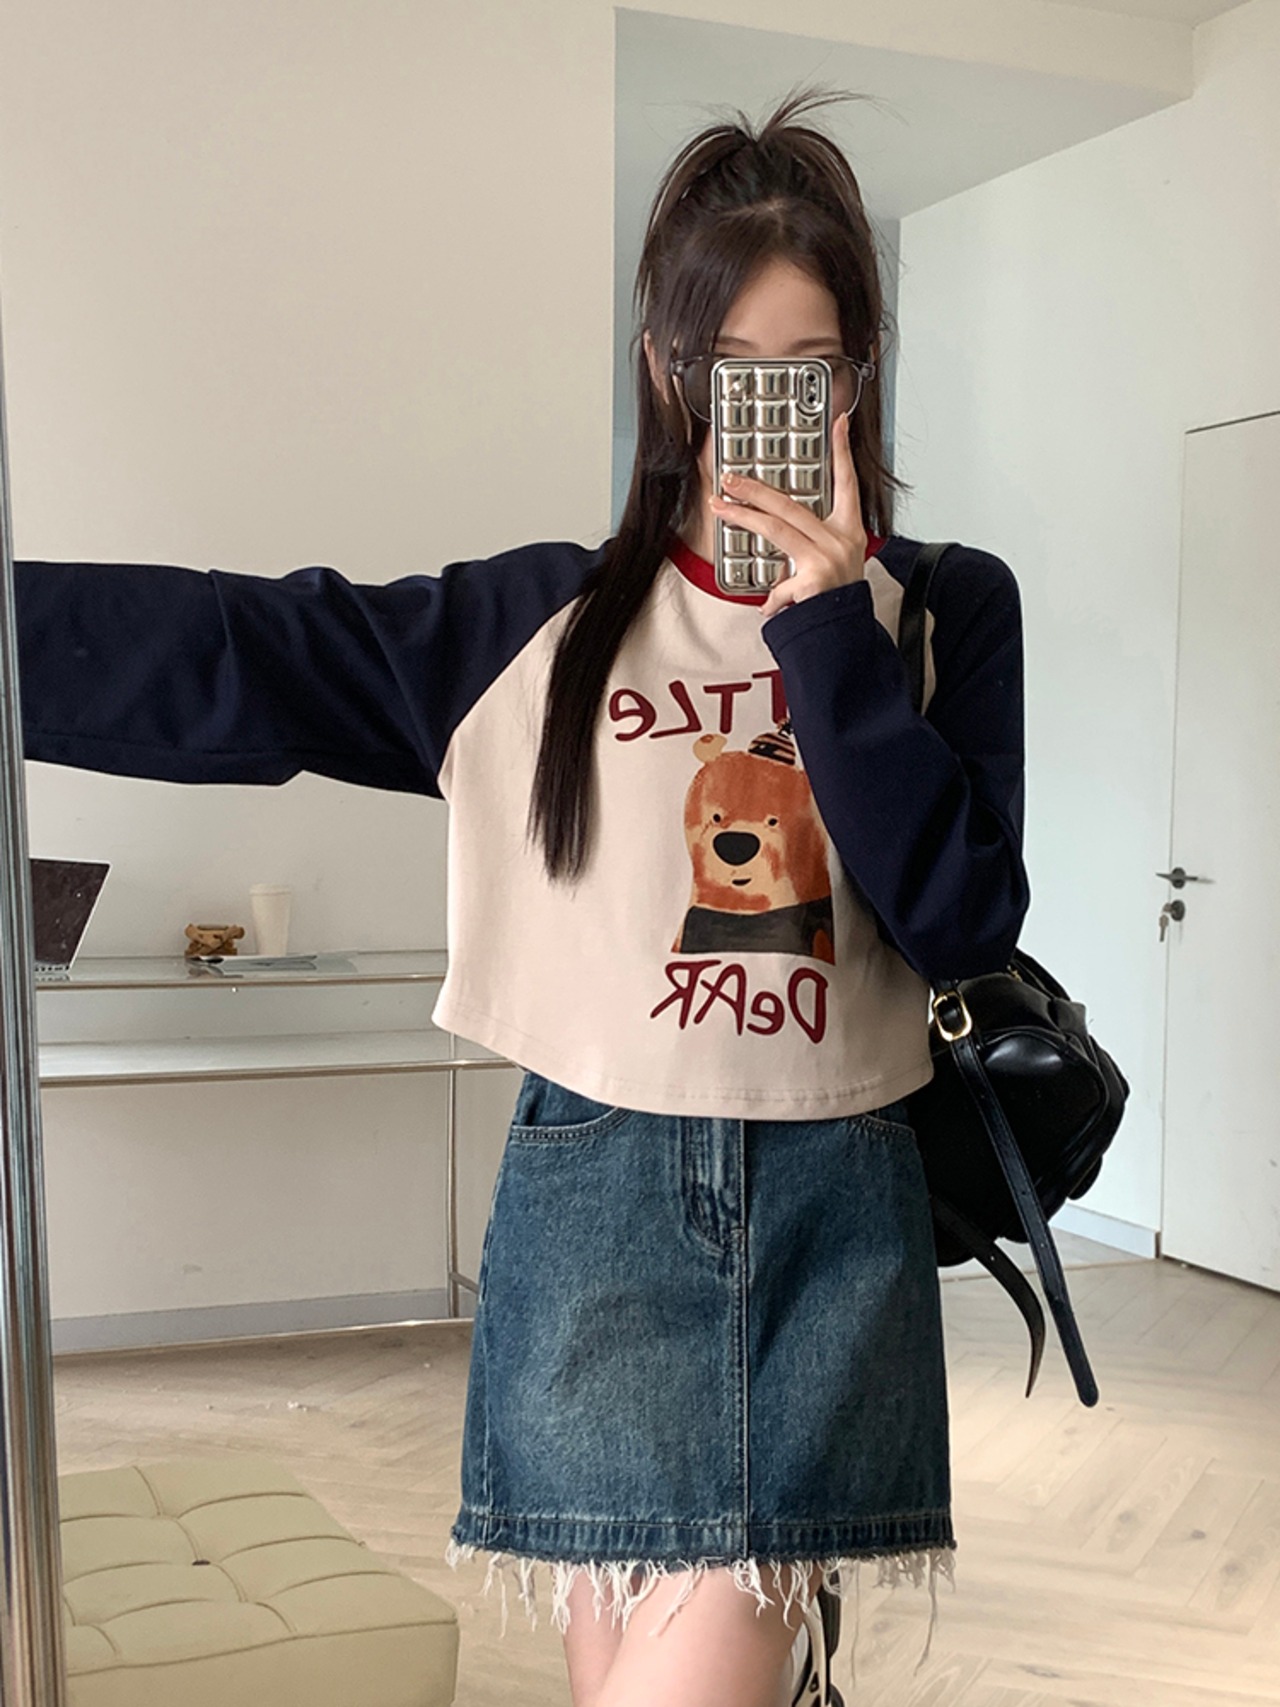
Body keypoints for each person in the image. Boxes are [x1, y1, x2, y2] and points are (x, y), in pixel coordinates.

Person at [13, 86, 1029, 1707]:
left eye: (811, 369)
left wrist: (826, 632)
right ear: (666, 374)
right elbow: (242, 652)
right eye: (730, 369)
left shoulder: (940, 615)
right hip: (591, 1209)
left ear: (857, 378)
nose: (769, 408)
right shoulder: (535, 629)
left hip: (831, 1220)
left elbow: (962, 916)